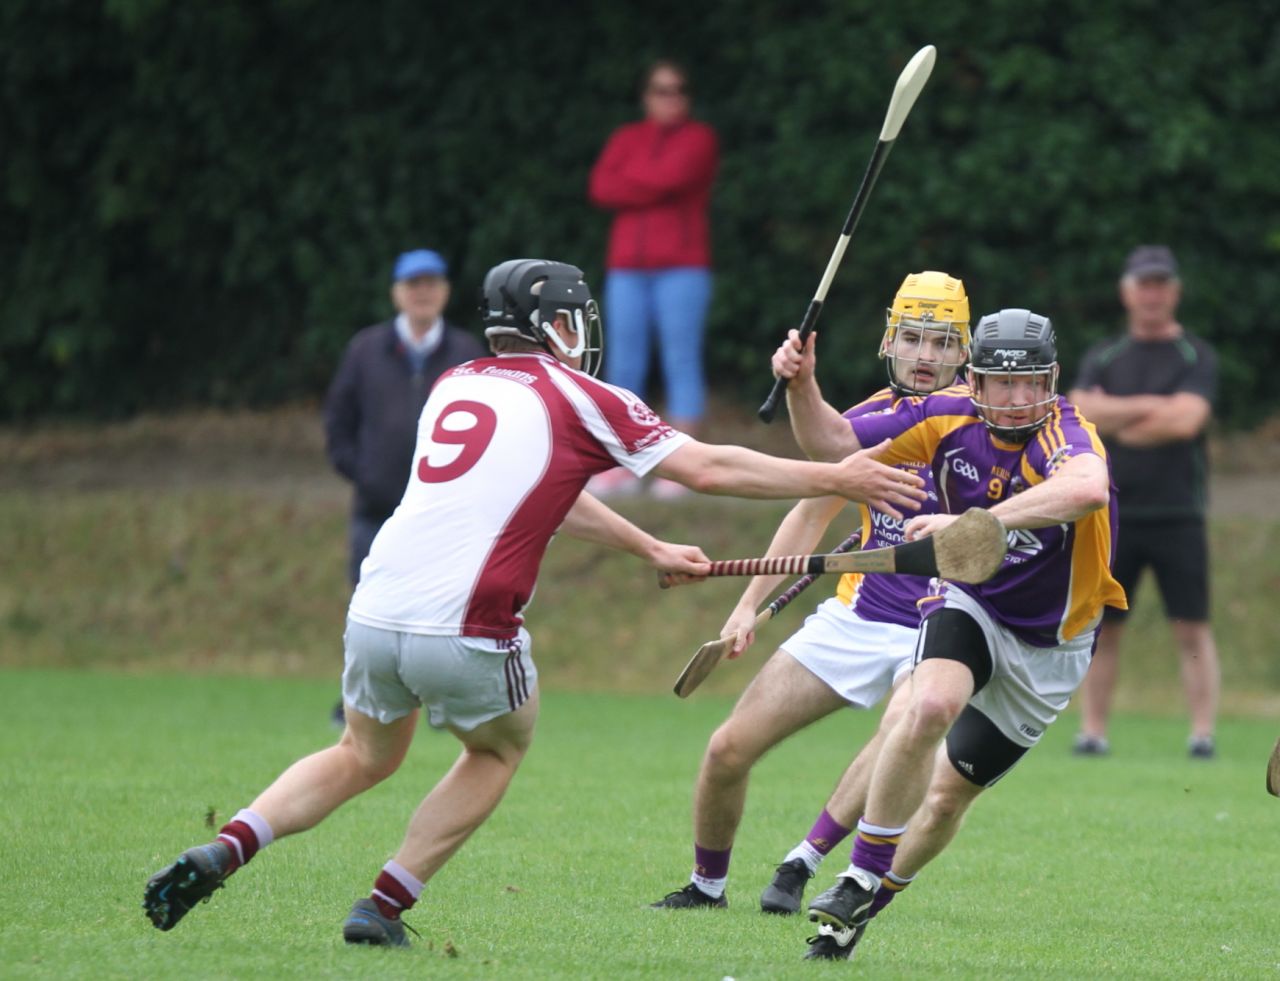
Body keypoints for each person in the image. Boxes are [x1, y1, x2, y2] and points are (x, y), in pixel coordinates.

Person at [142, 258, 928, 947]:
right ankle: (383, 904)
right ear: (556, 324)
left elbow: (545, 490)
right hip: (470, 623)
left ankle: (231, 844)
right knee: (497, 749)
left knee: (362, 754)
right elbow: (711, 467)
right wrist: (839, 476)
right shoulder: (582, 394)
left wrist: (647, 546)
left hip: (374, 608)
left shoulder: (456, 382)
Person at [772, 308, 1126, 959]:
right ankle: (855, 871)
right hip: (973, 603)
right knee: (929, 702)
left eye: (1032, 383)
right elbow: (832, 445)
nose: (1018, 400)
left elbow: (1087, 490)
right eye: (1001, 383)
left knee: (942, 802)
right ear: (977, 381)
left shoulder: (1067, 434)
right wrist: (802, 386)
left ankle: (860, 911)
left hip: (1053, 645)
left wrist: (975, 524)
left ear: (1051, 379)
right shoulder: (943, 415)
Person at [648, 272, 970, 929]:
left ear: (964, 351)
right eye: (913, 338)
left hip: (948, 624)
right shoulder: (873, 420)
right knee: (726, 749)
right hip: (860, 614)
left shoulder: (988, 423)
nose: (926, 355)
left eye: (941, 342)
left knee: (903, 725)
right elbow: (812, 501)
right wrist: (746, 606)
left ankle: (804, 858)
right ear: (890, 341)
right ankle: (706, 885)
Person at [1068, 245, 1220, 759]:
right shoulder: (1104, 356)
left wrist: (1116, 416)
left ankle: (1202, 734)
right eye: (1143, 283)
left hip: (1179, 514)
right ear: (1127, 291)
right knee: (1102, 625)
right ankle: (1092, 731)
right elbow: (1080, 411)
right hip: (1110, 513)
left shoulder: (1196, 356)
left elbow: (1186, 422)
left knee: (1191, 627)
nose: (1152, 293)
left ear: (1174, 291)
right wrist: (1156, 407)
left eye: (1161, 284)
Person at [323, 248, 487, 722]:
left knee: (441, 606)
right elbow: (339, 422)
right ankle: (360, 701)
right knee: (369, 604)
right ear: (397, 293)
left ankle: (440, 702)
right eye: (414, 284)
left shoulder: (465, 353)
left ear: (446, 291)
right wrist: (365, 472)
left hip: (443, 510)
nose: (423, 293)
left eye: (432, 283)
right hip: (378, 506)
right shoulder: (365, 350)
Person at [587, 59, 719, 500]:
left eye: (677, 90)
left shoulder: (700, 138)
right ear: (646, 95)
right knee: (623, 367)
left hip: (682, 267)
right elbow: (602, 188)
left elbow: (672, 177)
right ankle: (622, 463)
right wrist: (650, 185)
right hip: (627, 268)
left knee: (681, 361)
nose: (669, 98)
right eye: (661, 90)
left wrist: (635, 182)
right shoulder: (626, 137)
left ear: (688, 96)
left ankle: (684, 467)